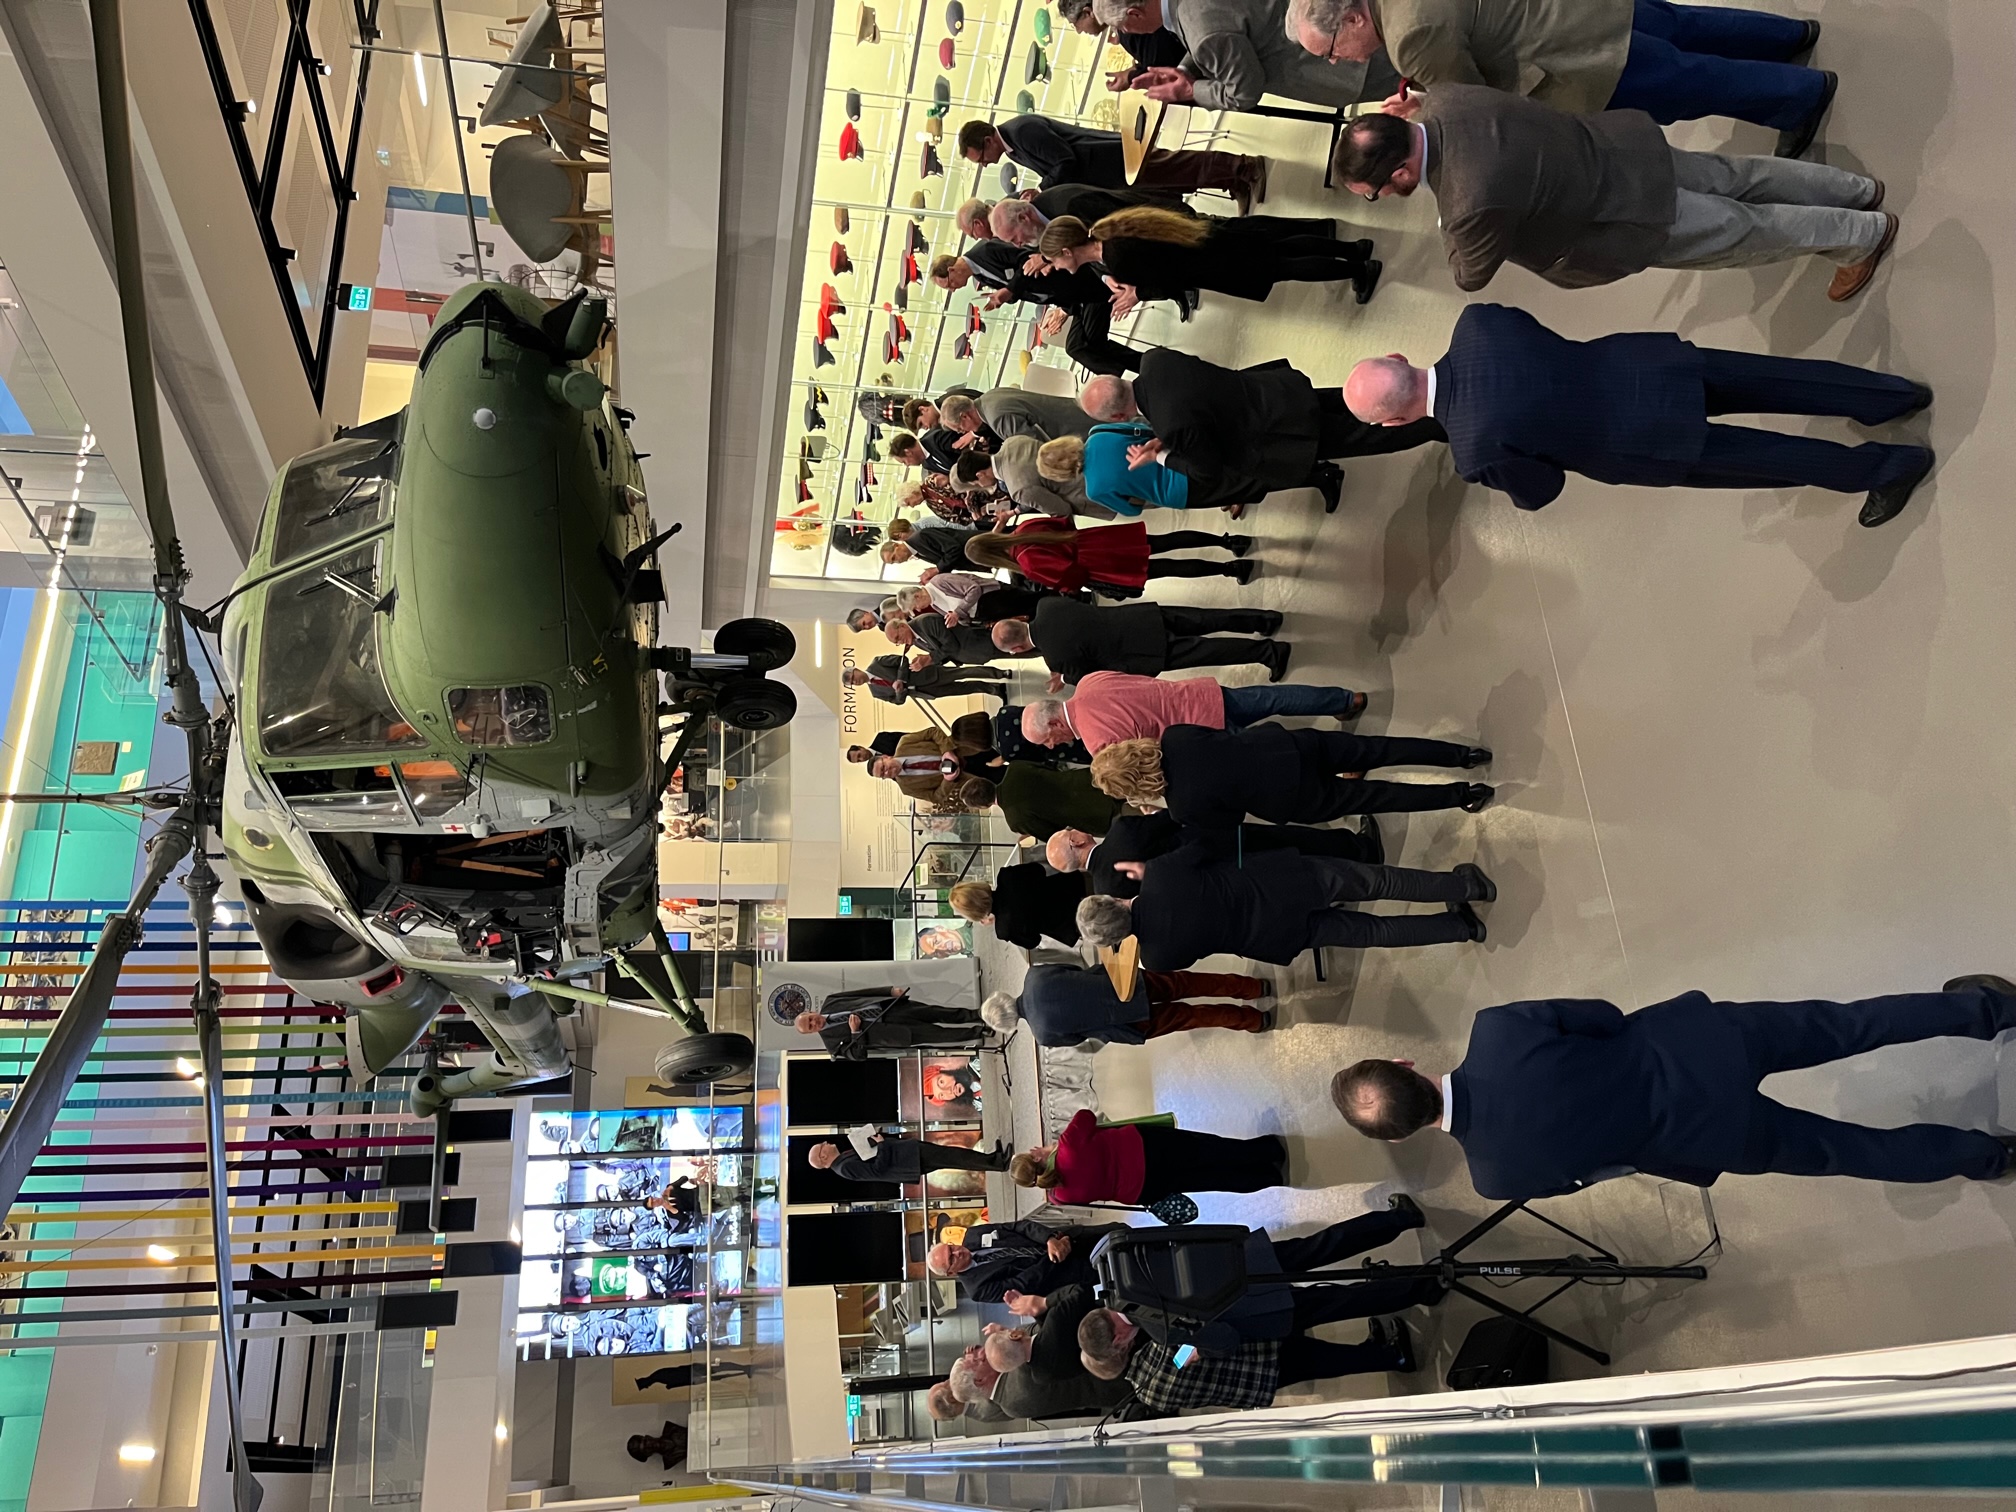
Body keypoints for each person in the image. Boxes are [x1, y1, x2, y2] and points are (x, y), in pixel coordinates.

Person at [1333, 974, 2016, 1196]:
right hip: (1706, 1045)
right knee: (1850, 1027)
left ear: (1405, 1135)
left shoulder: (1497, 1176)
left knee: (1853, 1153)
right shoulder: (1499, 1032)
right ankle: (1989, 1010)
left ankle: (1991, 1157)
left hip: (1711, 1135)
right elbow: (1601, 1019)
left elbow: (1599, 1170)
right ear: (1406, 1067)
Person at [1345, 302, 1936, 528]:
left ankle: (1886, 469)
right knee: (1778, 379)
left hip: (1643, 441)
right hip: (1642, 364)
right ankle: (1889, 395)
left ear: (1395, 422)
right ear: (1397, 356)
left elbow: (1543, 487)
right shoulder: (1477, 324)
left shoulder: (1476, 451)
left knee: (1767, 456)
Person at [1333, 84, 1895, 302]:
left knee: (1742, 230)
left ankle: (1859, 238)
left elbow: (1469, 273)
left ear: (1401, 175)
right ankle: (1857, 191)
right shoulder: (1446, 99)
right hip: (1623, 148)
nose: (1380, 199)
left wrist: (1444, 223)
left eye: (1376, 193)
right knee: (1737, 175)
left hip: (1625, 217)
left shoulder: (1467, 203)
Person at [1291, 0, 1838, 159]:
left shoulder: (1408, 37)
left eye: (1332, 49)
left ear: (1354, 19)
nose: (1338, 62)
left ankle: (1800, 98)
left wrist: (1424, 109)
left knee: (1688, 82)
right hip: (1576, 10)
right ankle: (1791, 35)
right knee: (1686, 25)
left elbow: (1473, 103)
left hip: (1570, 55)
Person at [1081, 349, 1443, 517]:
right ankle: (1429, 394)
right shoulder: (1154, 360)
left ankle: (1439, 421)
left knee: (1368, 436)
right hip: (1273, 394)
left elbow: (1207, 470)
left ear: (1118, 414)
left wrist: (1162, 455)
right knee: (1348, 400)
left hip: (1279, 435)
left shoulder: (1172, 427)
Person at [1077, 840, 1493, 965]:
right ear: (1114, 899)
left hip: (1272, 934)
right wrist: (1150, 869)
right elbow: (1205, 843)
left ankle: (1460, 928)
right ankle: (1464, 888)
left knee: (1372, 932)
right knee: (1375, 882)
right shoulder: (1161, 877)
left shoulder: (1157, 957)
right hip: (1279, 884)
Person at [1090, 725, 1493, 828]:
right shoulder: (1174, 737)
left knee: (1380, 798)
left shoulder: (1182, 807)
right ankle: (1464, 754)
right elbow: (1220, 735)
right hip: (1284, 747)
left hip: (1291, 797)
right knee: (1377, 748)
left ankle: (1462, 794)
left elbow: (1231, 820)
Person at [1081, 1305, 1417, 1414]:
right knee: (1325, 1359)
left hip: (1251, 1383)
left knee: (1324, 1360)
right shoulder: (1159, 1357)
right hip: (1255, 1358)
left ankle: (1374, 1349)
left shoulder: (1147, 1393)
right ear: (1120, 1350)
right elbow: (1190, 1348)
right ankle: (1393, 1356)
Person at [1039, 206, 1381, 307]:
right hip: (1209, 239)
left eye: (1054, 260)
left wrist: (1138, 294)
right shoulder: (1109, 229)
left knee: (1286, 267)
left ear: (1067, 251)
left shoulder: (1117, 259)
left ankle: (1359, 269)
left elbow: (1170, 280)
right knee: (1283, 247)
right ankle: (1354, 250)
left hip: (1210, 263)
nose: (1055, 268)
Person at [1096, 0, 1396, 111]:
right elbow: (1223, 25)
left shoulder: (1201, 35)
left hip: (1340, 60)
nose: (1127, 32)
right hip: (1342, 12)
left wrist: (1191, 90)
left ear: (1134, 14)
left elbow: (1245, 92)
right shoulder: (1191, 22)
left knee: (1423, 72)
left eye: (1123, 27)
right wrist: (1187, 69)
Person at [1023, 671, 1366, 756]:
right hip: (1199, 694)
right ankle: (1346, 700)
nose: (1053, 746)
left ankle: (1347, 756)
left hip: (1201, 733)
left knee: (1282, 747)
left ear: (1054, 722)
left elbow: (1148, 757)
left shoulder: (1097, 745)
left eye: (1048, 739)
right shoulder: (1089, 682)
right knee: (1275, 698)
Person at [957, 115, 1266, 209]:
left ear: (987, 141)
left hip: (1110, 159)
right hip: (1105, 170)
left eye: (981, 158)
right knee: (1176, 178)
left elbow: (1064, 160)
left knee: (1179, 166)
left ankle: (1244, 167)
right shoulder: (1013, 146)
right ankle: (1231, 181)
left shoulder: (1022, 132)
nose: (984, 164)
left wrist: (1042, 188)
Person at [1055, 809, 1383, 897]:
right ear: (1078, 842)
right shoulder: (1121, 832)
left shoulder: (1106, 892)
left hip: (1216, 885)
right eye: (1072, 832)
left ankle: (1349, 882)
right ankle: (1360, 848)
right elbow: (1174, 818)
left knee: (1290, 871)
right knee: (1289, 840)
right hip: (1220, 845)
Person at [1014, 1107, 1288, 1204]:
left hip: (1143, 1189)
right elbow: (1085, 1115)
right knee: (1209, 1150)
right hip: (1145, 1148)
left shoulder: (1061, 1195)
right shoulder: (1068, 1145)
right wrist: (1053, 1149)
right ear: (1036, 1157)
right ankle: (1268, 1150)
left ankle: (1268, 1177)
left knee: (1209, 1179)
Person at [997, 596, 1284, 684]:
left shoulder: (1055, 658)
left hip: (1139, 651)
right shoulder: (1047, 605)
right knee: (1208, 618)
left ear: (1019, 649)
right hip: (1138, 618)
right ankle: (1264, 619)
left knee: (1208, 651)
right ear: (1020, 619)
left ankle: (1269, 653)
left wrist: (1062, 678)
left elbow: (1087, 675)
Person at [984, 961, 1272, 1047]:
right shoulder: (1035, 974)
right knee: (1188, 982)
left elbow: (1080, 1037)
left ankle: (1253, 1021)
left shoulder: (1043, 1035)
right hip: (1124, 982)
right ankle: (1252, 986)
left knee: (1190, 1017)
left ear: (1009, 1025)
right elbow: (1074, 967)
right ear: (1003, 997)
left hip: (1126, 1023)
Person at [950, 1288, 1133, 1419]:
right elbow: (1043, 1340)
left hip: (1117, 1387)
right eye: (975, 1361)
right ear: (979, 1381)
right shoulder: (1020, 1379)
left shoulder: (1011, 1408)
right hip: (1120, 1352)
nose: (979, 1355)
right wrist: (1035, 1306)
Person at [963, 517, 1253, 598]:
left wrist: (1069, 589)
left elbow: (1071, 577)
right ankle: (1228, 541)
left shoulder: (1026, 563)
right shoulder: (1025, 529)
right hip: (1096, 540)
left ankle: (1230, 568)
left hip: (1101, 566)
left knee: (1167, 568)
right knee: (1163, 541)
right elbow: (1063, 522)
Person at [1041, 428, 1254, 518]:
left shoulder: (1094, 490)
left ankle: (1237, 494)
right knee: (1224, 466)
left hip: (1175, 492)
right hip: (1172, 455)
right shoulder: (1097, 434)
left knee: (1222, 489)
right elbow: (1137, 428)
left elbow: (1132, 511)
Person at [927, 1217, 1127, 1302]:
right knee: (1123, 1267)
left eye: (951, 1248)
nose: (957, 1252)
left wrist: (1049, 1240)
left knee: (1120, 1232)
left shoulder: (973, 1234)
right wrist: (1054, 1256)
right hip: (1063, 1272)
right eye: (951, 1259)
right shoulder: (976, 1289)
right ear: (952, 1272)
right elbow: (1020, 1285)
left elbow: (1018, 1227)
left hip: (1064, 1238)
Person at [792, 987, 991, 1060]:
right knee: (939, 1035)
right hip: (895, 1034)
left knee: (938, 1013)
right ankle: (978, 1032)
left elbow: (860, 994)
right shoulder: (832, 1044)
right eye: (810, 1026)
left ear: (810, 1011)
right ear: (811, 1032)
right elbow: (858, 1055)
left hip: (893, 1009)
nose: (813, 1022)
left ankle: (977, 1015)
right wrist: (855, 1032)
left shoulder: (830, 1001)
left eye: (810, 1018)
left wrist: (889, 992)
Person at [950, 863, 1088, 948]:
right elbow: (1039, 870)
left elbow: (1033, 941)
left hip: (1076, 923)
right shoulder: (1006, 876)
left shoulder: (1004, 929)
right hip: (1077, 886)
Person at [983, 433, 1115, 520]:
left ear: (979, 475)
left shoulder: (1018, 490)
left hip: (1095, 496)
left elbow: (1062, 511)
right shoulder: (1011, 442)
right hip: (1100, 461)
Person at [993, 760, 1125, 839]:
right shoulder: (1015, 768)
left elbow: (1053, 835)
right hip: (1088, 780)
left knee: (1139, 817)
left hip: (1092, 816)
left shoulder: (1015, 820)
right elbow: (1050, 767)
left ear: (983, 806)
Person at [807, 1132, 1012, 1181]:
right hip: (908, 1161)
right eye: (822, 1146)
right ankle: (998, 1163)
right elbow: (877, 1170)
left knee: (954, 1155)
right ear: (823, 1157)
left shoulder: (843, 1161)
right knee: (954, 1158)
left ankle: (992, 1158)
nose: (827, 1143)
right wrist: (882, 1145)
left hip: (907, 1154)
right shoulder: (844, 1168)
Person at [948, 386, 1098, 444]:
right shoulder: (991, 395)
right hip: (1073, 409)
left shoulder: (998, 420)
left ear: (964, 416)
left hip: (1080, 432)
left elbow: (1035, 446)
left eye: (960, 428)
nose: (964, 432)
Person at [844, 656, 1009, 706]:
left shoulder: (877, 663)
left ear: (856, 670)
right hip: (925, 692)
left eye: (853, 677)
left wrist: (901, 678)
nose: (856, 681)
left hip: (927, 674)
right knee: (962, 689)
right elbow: (897, 702)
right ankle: (994, 689)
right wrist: (899, 692)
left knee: (963, 673)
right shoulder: (875, 692)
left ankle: (999, 673)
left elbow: (902, 660)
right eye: (853, 683)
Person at [881, 516, 976, 571]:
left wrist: (937, 569)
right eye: (893, 562)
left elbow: (953, 543)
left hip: (975, 542)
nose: (897, 561)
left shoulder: (923, 533)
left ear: (896, 546)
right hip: (975, 558)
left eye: (893, 558)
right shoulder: (917, 552)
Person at [632, 1361, 755, 1393]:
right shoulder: (658, 1377)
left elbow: (679, 1375)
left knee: (721, 1368)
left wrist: (671, 1386)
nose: (647, 1387)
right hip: (693, 1376)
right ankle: (743, 1369)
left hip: (694, 1373)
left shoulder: (658, 1376)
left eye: (645, 1386)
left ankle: (744, 1368)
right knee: (721, 1372)